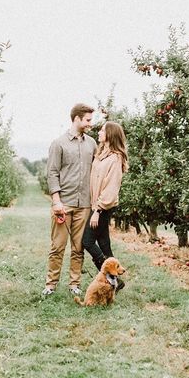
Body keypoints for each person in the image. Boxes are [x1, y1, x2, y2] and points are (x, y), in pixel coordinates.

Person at [42, 103, 97, 297]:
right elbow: (52, 173)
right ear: (77, 119)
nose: (91, 123)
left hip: (84, 204)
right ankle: (51, 285)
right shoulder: (59, 143)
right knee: (57, 247)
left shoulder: (92, 144)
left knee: (78, 248)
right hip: (63, 203)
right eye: (88, 120)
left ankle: (74, 284)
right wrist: (56, 201)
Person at [81, 121, 128, 291]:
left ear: (110, 135)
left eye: (102, 130)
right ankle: (115, 282)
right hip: (97, 204)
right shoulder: (102, 154)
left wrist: (98, 211)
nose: (99, 132)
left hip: (103, 207)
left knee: (87, 241)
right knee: (104, 243)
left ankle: (112, 277)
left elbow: (111, 188)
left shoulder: (115, 158)